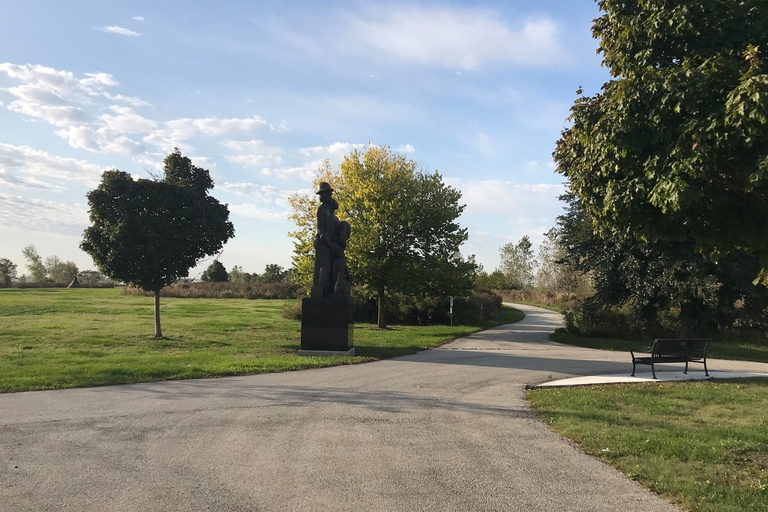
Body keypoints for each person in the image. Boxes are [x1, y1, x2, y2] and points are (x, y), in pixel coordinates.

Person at [312, 182, 351, 297]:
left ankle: (334, 290)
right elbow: (320, 230)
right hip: (323, 243)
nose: (330, 196)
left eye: (330, 194)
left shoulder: (332, 214)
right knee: (326, 266)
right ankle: (322, 292)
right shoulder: (321, 210)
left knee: (337, 265)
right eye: (328, 194)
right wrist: (330, 244)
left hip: (331, 242)